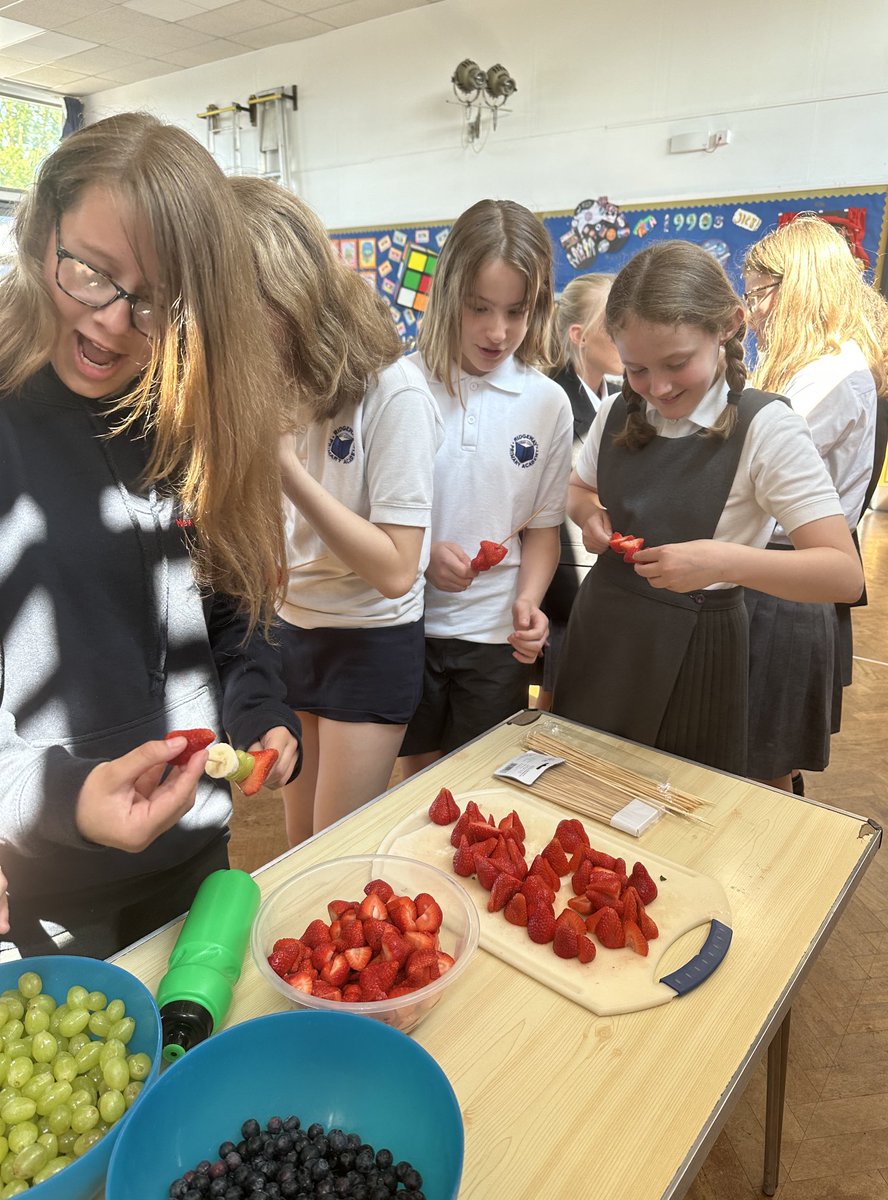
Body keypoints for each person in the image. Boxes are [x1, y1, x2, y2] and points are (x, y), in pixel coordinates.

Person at [0, 113, 302, 961]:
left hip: (198, 858)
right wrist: (66, 799)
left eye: (156, 303)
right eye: (88, 272)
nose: (109, 323)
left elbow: (231, 614)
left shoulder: (195, 417)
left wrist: (261, 712)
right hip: (46, 889)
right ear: (41, 231)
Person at [552, 240, 863, 777]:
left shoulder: (766, 427)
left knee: (672, 804)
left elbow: (841, 574)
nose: (658, 389)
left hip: (697, 643)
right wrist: (588, 517)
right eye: (636, 369)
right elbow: (578, 489)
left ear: (728, 326)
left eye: (677, 363)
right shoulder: (616, 411)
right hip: (602, 631)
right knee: (583, 787)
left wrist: (721, 562)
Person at [230, 176, 443, 843]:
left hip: (370, 640)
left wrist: (288, 470)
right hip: (294, 632)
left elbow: (396, 569)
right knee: (299, 845)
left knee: (334, 849)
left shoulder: (393, 392)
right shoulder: (266, 375)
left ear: (286, 292)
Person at [397, 199, 573, 777]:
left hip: (494, 639)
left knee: (477, 784)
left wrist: (529, 601)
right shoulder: (400, 386)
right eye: (479, 309)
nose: (497, 332)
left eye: (516, 312)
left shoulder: (546, 402)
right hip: (404, 627)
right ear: (447, 294)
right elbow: (368, 515)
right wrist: (422, 557)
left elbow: (543, 530)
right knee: (415, 780)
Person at [742, 215, 888, 790]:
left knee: (763, 757)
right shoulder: (824, 368)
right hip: (779, 577)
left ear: (795, 288)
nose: (754, 311)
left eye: (759, 295)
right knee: (755, 750)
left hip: (788, 583)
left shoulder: (832, 375)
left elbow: (759, 470)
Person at [538, 273, 622, 709]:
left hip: (596, 567)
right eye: (615, 325)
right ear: (579, 336)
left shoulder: (618, 396)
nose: (628, 333)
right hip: (564, 577)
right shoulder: (553, 400)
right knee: (559, 696)